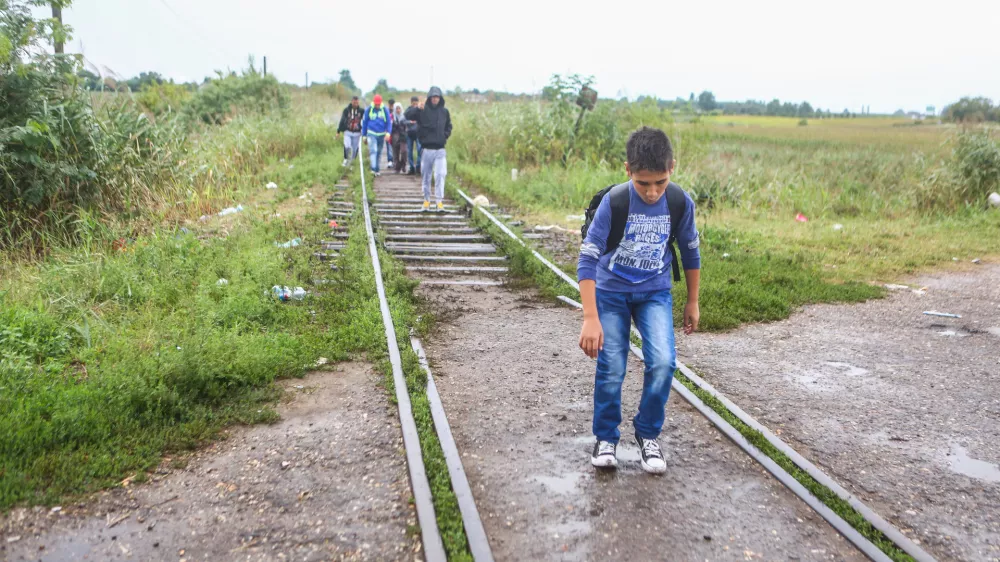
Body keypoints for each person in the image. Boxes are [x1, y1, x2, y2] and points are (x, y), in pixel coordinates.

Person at [577, 127, 701, 475]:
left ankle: (648, 435)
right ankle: (606, 438)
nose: (652, 191)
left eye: (660, 182)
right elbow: (587, 259)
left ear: (671, 168)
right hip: (611, 293)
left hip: (655, 292)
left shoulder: (679, 202)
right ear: (628, 170)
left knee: (662, 362)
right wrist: (590, 316)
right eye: (644, 183)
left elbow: (691, 252)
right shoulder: (613, 202)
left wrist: (692, 301)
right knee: (612, 366)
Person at [417, 86, 452, 211]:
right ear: (429, 98)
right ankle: (426, 201)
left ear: (440, 98)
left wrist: (445, 136)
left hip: (440, 149)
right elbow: (408, 115)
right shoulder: (423, 110)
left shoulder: (445, 112)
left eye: (437, 97)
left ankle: (439, 202)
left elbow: (449, 126)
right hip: (427, 149)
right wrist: (417, 108)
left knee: (440, 174)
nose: (435, 99)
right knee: (426, 176)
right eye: (433, 97)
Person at [361, 94, 392, 176]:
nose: (377, 105)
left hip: (381, 135)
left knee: (379, 152)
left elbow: (389, 122)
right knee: (373, 150)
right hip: (371, 133)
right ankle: (373, 168)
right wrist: (364, 135)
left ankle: (377, 169)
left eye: (378, 104)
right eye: (376, 104)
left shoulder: (384, 109)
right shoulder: (369, 109)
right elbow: (365, 123)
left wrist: (388, 133)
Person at [336, 96, 364, 166]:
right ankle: (345, 159)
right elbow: (342, 120)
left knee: (355, 149)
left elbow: (365, 121)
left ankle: (352, 162)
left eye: (357, 103)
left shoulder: (361, 111)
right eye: (354, 102)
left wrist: (365, 131)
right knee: (347, 146)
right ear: (351, 102)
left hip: (357, 133)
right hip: (347, 131)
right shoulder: (346, 110)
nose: (355, 104)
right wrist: (338, 131)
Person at [404, 96, 422, 175]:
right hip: (409, 133)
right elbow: (403, 120)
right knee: (409, 151)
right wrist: (409, 122)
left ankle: (418, 166)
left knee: (419, 150)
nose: (415, 105)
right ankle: (411, 167)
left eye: (416, 104)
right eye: (413, 104)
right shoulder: (408, 110)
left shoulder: (421, 111)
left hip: (418, 133)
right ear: (411, 103)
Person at [391, 103, 409, 174]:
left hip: (403, 135)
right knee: (395, 151)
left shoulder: (404, 116)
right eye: (396, 109)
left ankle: (403, 164)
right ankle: (397, 167)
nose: (398, 110)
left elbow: (407, 126)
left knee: (404, 151)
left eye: (399, 108)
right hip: (395, 134)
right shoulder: (392, 117)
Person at [386, 98, 396, 166]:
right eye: (390, 105)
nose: (391, 106)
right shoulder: (386, 111)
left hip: (395, 131)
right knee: (388, 146)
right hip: (388, 131)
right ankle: (390, 160)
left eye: (392, 105)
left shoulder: (396, 111)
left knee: (395, 146)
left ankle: (395, 160)